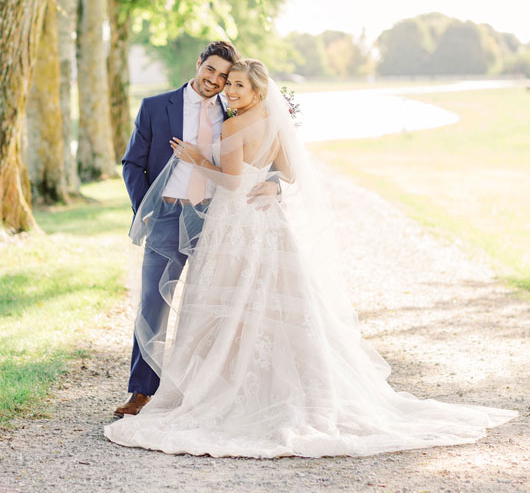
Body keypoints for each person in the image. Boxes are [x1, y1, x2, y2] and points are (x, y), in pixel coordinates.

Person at [106, 59, 517, 457]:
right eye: (221, 79)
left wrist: (218, 167)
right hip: (230, 220)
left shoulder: (231, 119)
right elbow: (283, 171)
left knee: (227, 305)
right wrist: (266, 188)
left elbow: (240, 180)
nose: (225, 86)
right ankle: (149, 390)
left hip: (230, 222)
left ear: (255, 91)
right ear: (200, 67)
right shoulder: (193, 110)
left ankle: (220, 390)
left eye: (235, 83)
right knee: (212, 304)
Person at [114, 42, 279, 417]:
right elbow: (132, 163)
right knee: (153, 304)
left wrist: (278, 185)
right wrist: (146, 210)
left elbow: (264, 153)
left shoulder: (237, 109)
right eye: (211, 71)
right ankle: (141, 392)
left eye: (224, 77)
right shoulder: (156, 107)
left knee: (212, 307)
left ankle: (206, 393)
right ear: (199, 64)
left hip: (216, 219)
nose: (216, 81)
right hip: (168, 217)